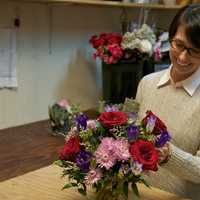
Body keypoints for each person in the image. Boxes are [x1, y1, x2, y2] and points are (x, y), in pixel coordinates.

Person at [135, 3, 200, 200]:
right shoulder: (147, 84)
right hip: (137, 193)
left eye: (195, 50)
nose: (182, 57)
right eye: (179, 45)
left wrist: (169, 155)